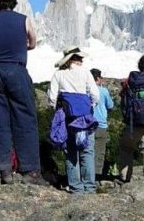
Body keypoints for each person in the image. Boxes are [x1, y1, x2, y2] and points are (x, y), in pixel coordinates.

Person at [0, 0, 43, 185]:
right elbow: (32, 43)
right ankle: (29, 170)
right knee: (25, 118)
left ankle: (4, 170)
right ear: (15, 0)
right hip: (16, 70)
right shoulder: (23, 20)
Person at [48, 47, 99, 194]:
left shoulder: (58, 74)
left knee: (70, 151)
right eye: (80, 58)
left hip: (68, 117)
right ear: (75, 59)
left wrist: (58, 111)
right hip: (85, 117)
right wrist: (90, 106)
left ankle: (76, 187)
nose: (82, 61)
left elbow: (52, 98)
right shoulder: (86, 73)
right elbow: (95, 95)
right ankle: (89, 187)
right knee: (87, 152)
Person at [90, 68, 114, 180]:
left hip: (86, 125)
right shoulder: (103, 91)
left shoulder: (85, 89)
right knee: (99, 153)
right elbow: (110, 105)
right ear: (98, 78)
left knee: (87, 152)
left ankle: (86, 175)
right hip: (100, 125)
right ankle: (96, 177)